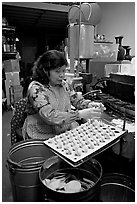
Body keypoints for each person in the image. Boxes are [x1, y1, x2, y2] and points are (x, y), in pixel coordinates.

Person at [22, 50, 105, 140]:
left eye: (63, 71)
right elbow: (50, 116)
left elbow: (76, 100)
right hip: (40, 133)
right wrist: (79, 115)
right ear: (45, 70)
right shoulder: (36, 89)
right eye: (57, 71)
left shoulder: (64, 85)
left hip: (61, 130)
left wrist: (90, 105)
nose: (62, 75)